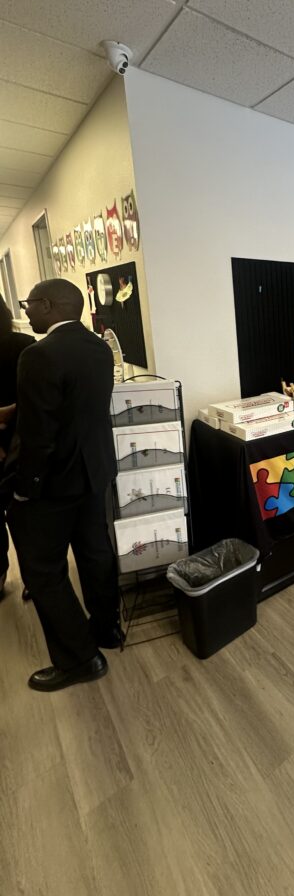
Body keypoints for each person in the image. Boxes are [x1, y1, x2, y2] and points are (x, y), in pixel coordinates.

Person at [4, 279, 122, 692]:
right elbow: (77, 406)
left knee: (43, 570)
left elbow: (39, 435)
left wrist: (24, 488)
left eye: (30, 304)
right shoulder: (100, 348)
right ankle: (107, 629)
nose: (28, 311)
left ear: (49, 305)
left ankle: (78, 659)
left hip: (54, 483)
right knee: (95, 552)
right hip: (95, 472)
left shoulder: (39, 355)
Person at [0, 299, 34, 596]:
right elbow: (37, 398)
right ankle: (32, 579)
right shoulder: (24, 344)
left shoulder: (25, 344)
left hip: (14, 437)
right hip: (21, 440)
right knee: (24, 515)